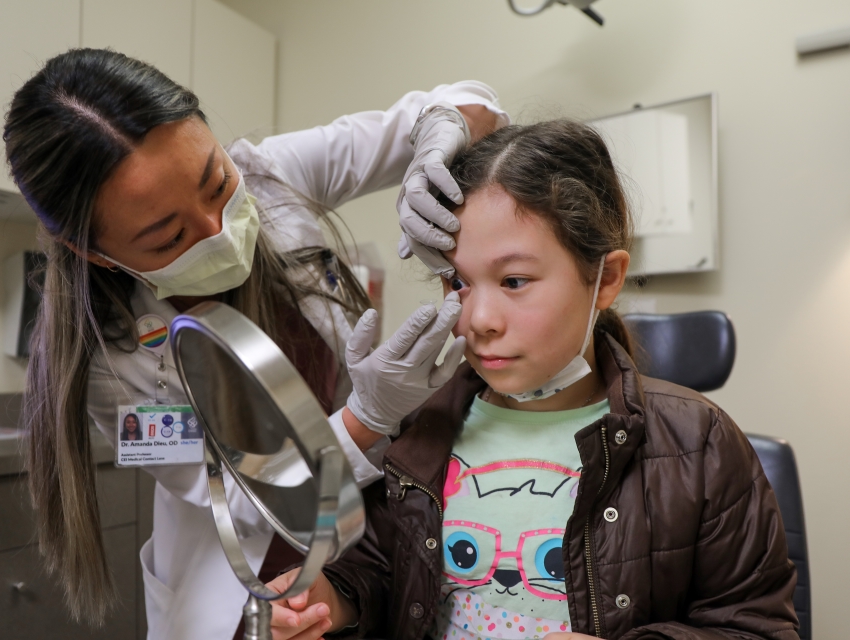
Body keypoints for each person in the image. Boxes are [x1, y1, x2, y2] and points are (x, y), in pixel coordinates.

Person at [4, 48, 507, 640]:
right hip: (240, 577)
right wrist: (368, 418)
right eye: (169, 236)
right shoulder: (107, 363)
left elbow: (467, 105)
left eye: (216, 182)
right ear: (96, 253)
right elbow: (249, 497)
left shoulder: (271, 175)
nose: (217, 230)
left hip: (368, 546)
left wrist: (437, 139)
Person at [266, 121, 800, 640]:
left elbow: (752, 626)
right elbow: (384, 570)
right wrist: (332, 600)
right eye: (458, 282)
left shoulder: (697, 444)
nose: (478, 319)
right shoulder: (424, 428)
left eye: (514, 280)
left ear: (605, 278)